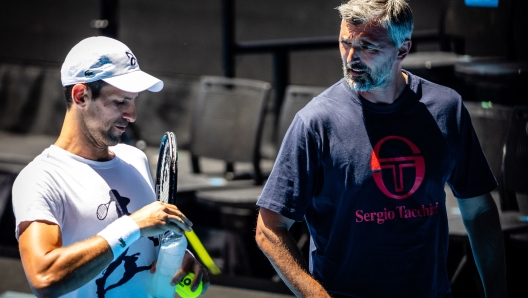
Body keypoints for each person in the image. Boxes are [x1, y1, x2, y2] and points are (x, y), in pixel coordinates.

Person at [254, 0, 507, 297]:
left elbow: (478, 211)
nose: (351, 58)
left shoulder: (445, 108)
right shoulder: (316, 122)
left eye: (368, 47)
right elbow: (269, 229)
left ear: (403, 49)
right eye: (345, 43)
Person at [12, 36, 209, 297]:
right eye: (120, 101)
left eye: (133, 100)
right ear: (81, 95)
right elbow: (44, 277)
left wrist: (180, 263)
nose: (132, 114)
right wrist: (133, 225)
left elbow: (143, 252)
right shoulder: (39, 178)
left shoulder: (135, 159)